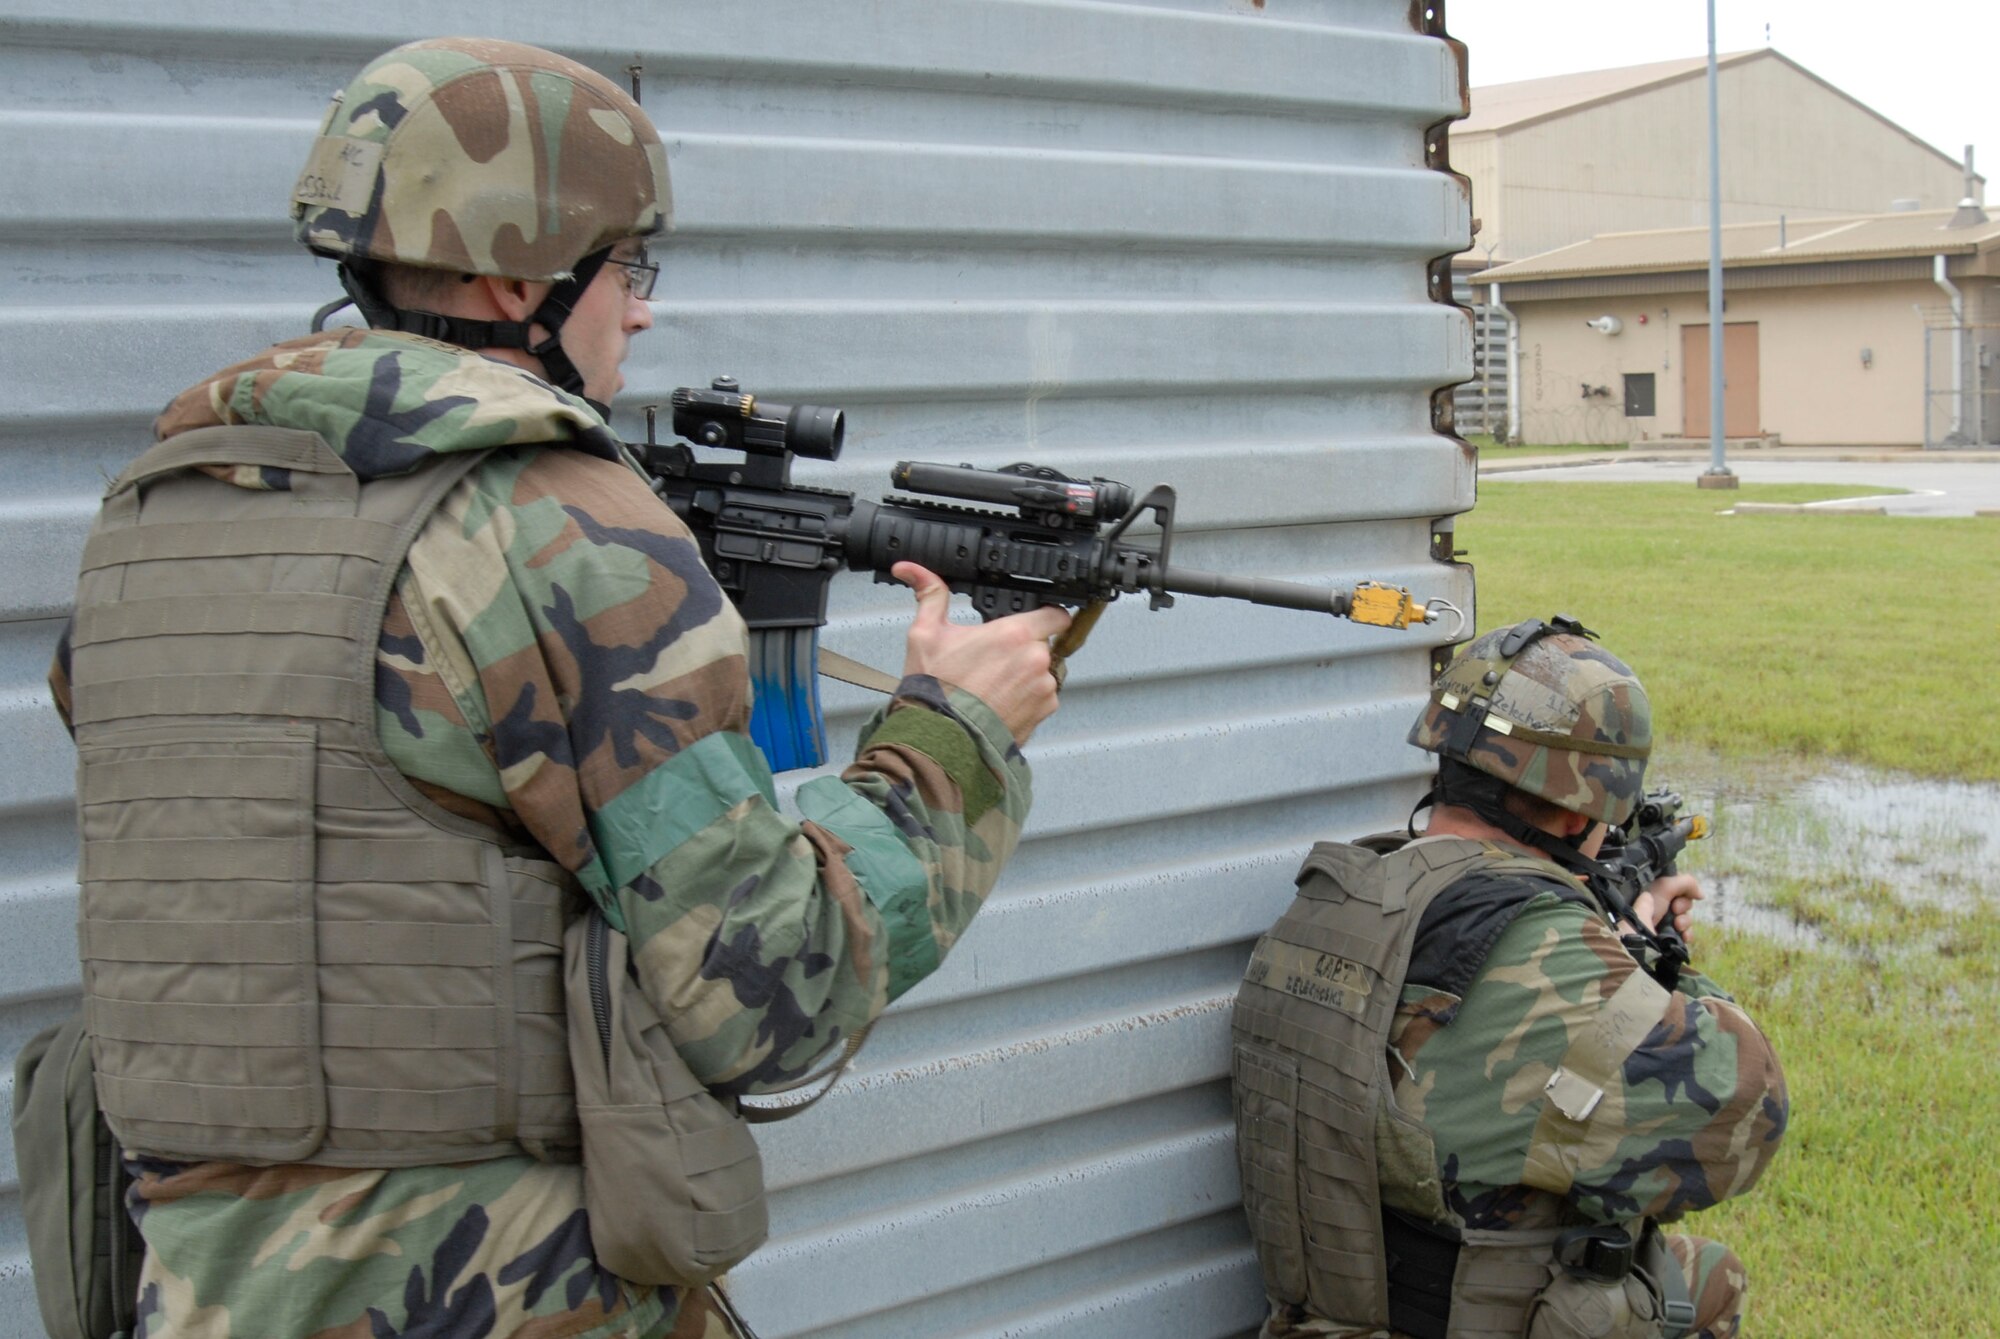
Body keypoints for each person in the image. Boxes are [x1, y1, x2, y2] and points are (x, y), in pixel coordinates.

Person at [49, 37, 1069, 1339]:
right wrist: (955, 733)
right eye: (625, 264)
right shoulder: (559, 522)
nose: (638, 308)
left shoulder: (156, 517)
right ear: (513, 267)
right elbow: (770, 989)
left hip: (190, 1282)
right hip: (488, 1290)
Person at [1230, 617, 1788, 1339]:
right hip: (1462, 1317)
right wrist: (1647, 953)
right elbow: (1747, 1116)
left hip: (1332, 1310)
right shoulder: (1535, 950)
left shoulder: (1340, 898)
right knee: (1709, 1277)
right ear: (1570, 803)